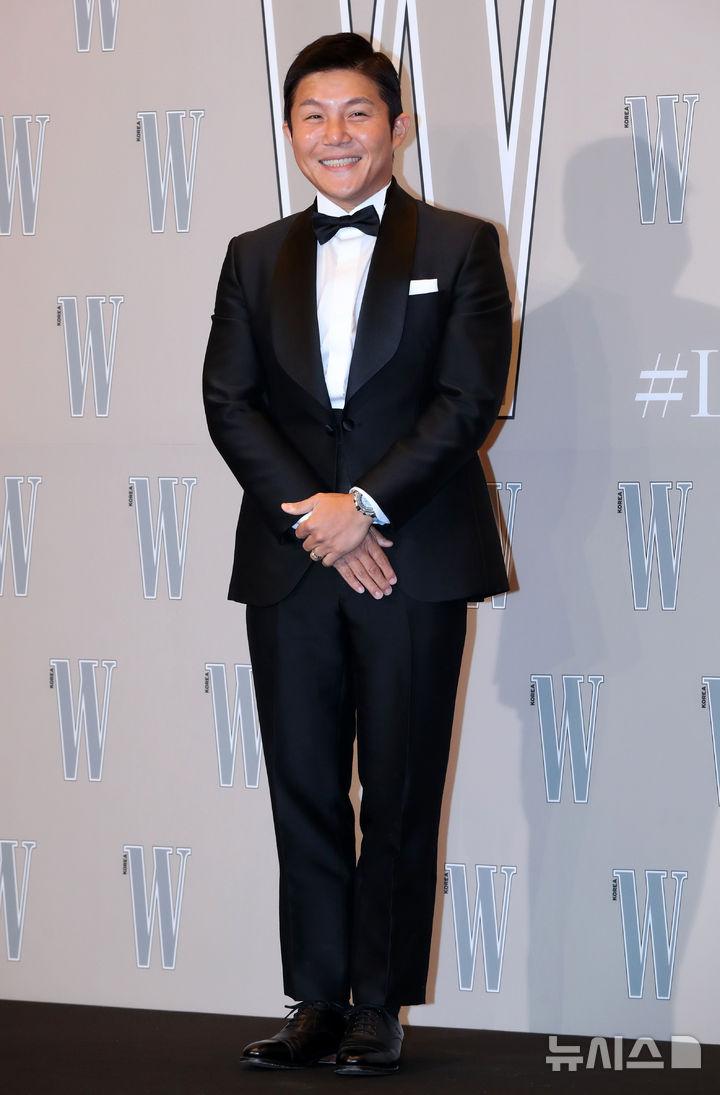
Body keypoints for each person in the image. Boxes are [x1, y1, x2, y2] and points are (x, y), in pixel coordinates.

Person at [202, 31, 512, 1076]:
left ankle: (379, 1004)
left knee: (402, 785)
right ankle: (317, 1000)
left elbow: (466, 398)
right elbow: (229, 401)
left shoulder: (460, 247)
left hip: (413, 555)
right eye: (313, 116)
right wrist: (320, 520)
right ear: (292, 132)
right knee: (302, 783)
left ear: (397, 125)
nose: (334, 135)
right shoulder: (253, 256)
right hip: (292, 560)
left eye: (357, 113)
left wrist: (366, 508)